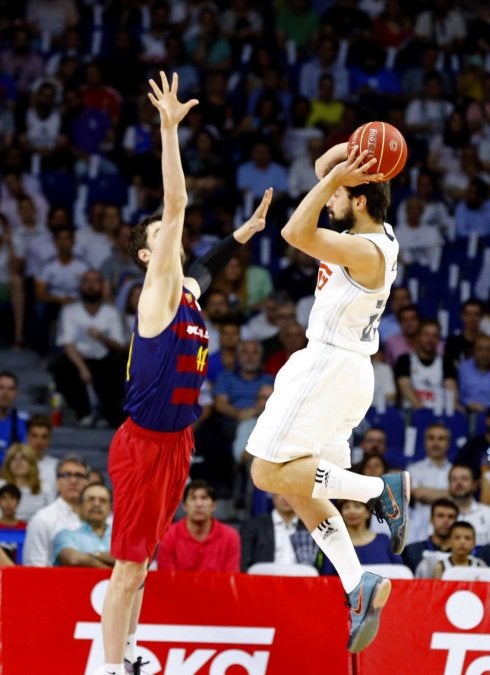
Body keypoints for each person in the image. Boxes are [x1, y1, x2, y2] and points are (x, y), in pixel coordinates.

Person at [94, 72, 272, 675]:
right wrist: (169, 130)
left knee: (143, 563)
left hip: (177, 442)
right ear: (147, 255)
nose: (171, 244)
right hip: (143, 445)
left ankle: (131, 650)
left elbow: (205, 263)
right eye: (160, 241)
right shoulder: (158, 291)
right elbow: (176, 207)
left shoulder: (187, 293)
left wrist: (241, 235)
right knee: (127, 566)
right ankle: (111, 664)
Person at [246, 140, 410, 654]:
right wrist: (356, 149)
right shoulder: (374, 231)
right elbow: (323, 167)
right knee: (302, 488)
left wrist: (337, 180)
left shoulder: (363, 250)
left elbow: (294, 231)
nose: (330, 195)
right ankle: (355, 583)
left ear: (359, 200)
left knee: (265, 472)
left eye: (341, 192)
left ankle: (377, 490)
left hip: (328, 365)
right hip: (348, 372)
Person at [156, 479, 240, 572]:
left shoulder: (230, 536)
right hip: (179, 587)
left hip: (218, 587)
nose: (198, 504)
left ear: (214, 505)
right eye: (193, 498)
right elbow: (166, 579)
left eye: (204, 498)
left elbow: (231, 579)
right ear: (184, 506)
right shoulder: (169, 535)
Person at [23, 454, 90, 566]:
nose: (73, 480)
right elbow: (34, 566)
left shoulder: (100, 517)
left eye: (79, 475)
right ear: (57, 482)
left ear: (88, 482)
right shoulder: (43, 518)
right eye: (66, 475)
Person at [318, 500, 402, 575]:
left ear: (368, 513)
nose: (351, 511)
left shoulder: (384, 541)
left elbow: (400, 573)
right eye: (346, 507)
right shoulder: (335, 545)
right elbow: (327, 578)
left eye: (357, 506)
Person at [240, 493, 317, 571]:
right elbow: (244, 565)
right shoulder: (253, 526)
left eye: (292, 493)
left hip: (301, 581)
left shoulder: (312, 529)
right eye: (281, 492)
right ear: (273, 495)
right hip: (262, 580)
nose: (286, 498)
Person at [407, 422, 452, 539]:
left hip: (449, 528)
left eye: (441, 438)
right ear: (425, 442)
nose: (436, 443)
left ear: (448, 443)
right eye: (431, 438)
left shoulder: (454, 471)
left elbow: (457, 495)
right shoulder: (413, 469)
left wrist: (426, 491)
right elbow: (418, 493)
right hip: (420, 529)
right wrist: (448, 493)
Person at [52, 484, 114, 567]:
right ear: (80, 506)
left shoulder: (123, 539)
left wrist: (93, 555)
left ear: (110, 507)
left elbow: (129, 562)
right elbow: (74, 559)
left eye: (102, 500)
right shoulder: (65, 535)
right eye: (91, 500)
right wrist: (111, 572)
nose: (96, 504)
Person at [402, 497, 459, 577]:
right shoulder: (412, 551)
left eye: (450, 517)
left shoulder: (463, 552)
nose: (446, 521)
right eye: (440, 516)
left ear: (456, 522)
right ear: (431, 519)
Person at [0, 443, 51, 521]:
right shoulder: (1, 485)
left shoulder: (45, 487)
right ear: (8, 464)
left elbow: (50, 518)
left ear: (31, 463)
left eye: (23, 458)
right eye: (13, 458)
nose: (18, 462)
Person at [448, 463, 490, 546]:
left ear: (475, 484)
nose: (459, 483)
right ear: (449, 484)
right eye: (454, 479)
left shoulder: (488, 514)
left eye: (464, 479)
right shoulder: (440, 514)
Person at [25, 414, 58, 500]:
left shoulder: (58, 466)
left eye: (44, 437)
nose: (39, 441)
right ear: (27, 437)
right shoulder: (17, 465)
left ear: (50, 439)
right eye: (34, 436)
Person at [0, 371, 28, 464]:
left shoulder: (25, 422)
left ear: (16, 392)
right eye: (1, 388)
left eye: (10, 389)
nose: (5, 393)